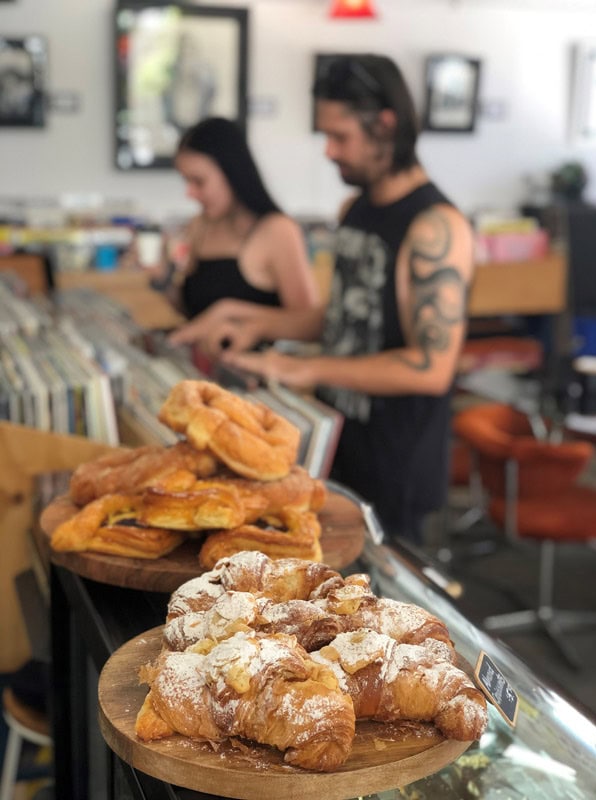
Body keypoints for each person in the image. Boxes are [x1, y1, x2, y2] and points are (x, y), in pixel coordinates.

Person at [171, 55, 474, 545]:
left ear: (385, 125)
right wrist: (256, 324)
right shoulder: (354, 208)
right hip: (338, 439)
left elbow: (431, 366)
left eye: (340, 136)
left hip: (395, 460)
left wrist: (303, 368)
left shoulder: (436, 227)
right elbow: (343, 319)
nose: (329, 151)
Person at [159, 116, 319, 355]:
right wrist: (162, 278)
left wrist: (230, 312)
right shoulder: (198, 226)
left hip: (256, 370)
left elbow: (308, 323)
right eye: (186, 181)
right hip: (204, 366)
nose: (190, 193)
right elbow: (194, 315)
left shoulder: (278, 230)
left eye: (199, 181)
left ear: (232, 172)